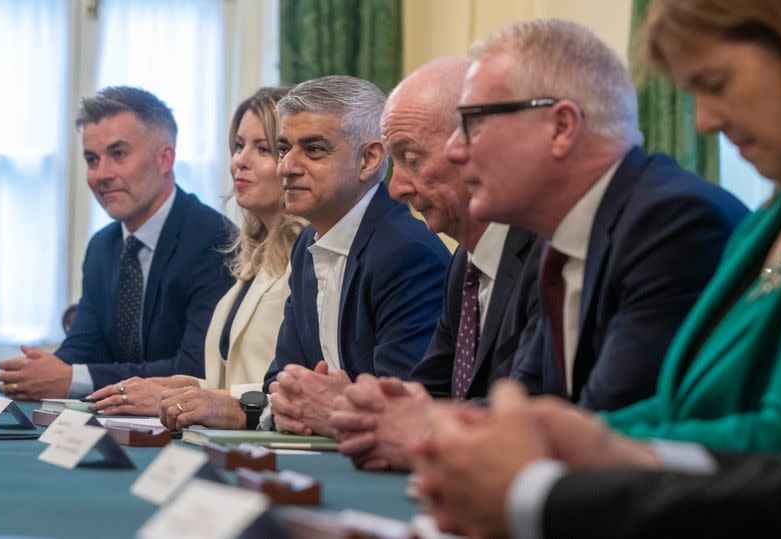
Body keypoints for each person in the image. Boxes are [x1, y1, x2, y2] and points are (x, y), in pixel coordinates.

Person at [417, 2, 781, 536]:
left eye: (715, 82)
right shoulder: (767, 222)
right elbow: (671, 408)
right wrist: (559, 433)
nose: (704, 121)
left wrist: (553, 468)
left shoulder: (675, 218)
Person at [443, 19, 748, 412]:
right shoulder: (558, 238)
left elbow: (604, 426)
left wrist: (434, 429)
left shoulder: (671, 222)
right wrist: (414, 418)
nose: (454, 149)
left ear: (562, 127)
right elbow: (531, 404)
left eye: (474, 123)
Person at [160, 76, 450, 433]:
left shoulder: (406, 253)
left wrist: (308, 407)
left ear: (369, 159)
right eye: (283, 149)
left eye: (313, 149)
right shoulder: (306, 245)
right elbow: (280, 383)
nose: (287, 167)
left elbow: (397, 409)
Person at [329, 58, 542, 471]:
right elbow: (429, 392)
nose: (395, 188)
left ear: (477, 149)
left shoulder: (545, 252)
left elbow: (535, 407)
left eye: (412, 158)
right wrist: (366, 409)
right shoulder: (464, 262)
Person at [0, 86, 235, 400]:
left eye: (118, 154)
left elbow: (195, 368)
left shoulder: (213, 238)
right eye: (92, 159)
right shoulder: (102, 246)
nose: (101, 174)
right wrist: (40, 371)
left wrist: (72, 378)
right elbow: (85, 348)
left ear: (165, 159)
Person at [85, 87, 306, 418]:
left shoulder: (310, 259)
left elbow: (293, 389)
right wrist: (170, 388)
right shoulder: (251, 263)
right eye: (238, 146)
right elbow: (229, 379)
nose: (239, 161)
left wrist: (173, 397)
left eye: (262, 148)